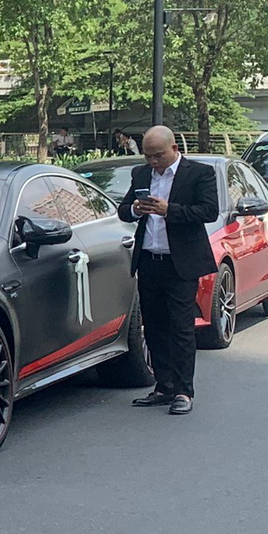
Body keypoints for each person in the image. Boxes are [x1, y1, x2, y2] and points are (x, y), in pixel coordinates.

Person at [116, 125, 219, 415]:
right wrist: (136, 209)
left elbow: (209, 210)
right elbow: (123, 210)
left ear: (174, 148)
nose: (153, 162)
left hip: (180, 263)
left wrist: (169, 210)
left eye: (158, 155)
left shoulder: (198, 173)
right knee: (154, 326)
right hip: (149, 260)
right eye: (148, 156)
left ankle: (184, 391)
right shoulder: (141, 174)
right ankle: (163, 386)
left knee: (181, 327)